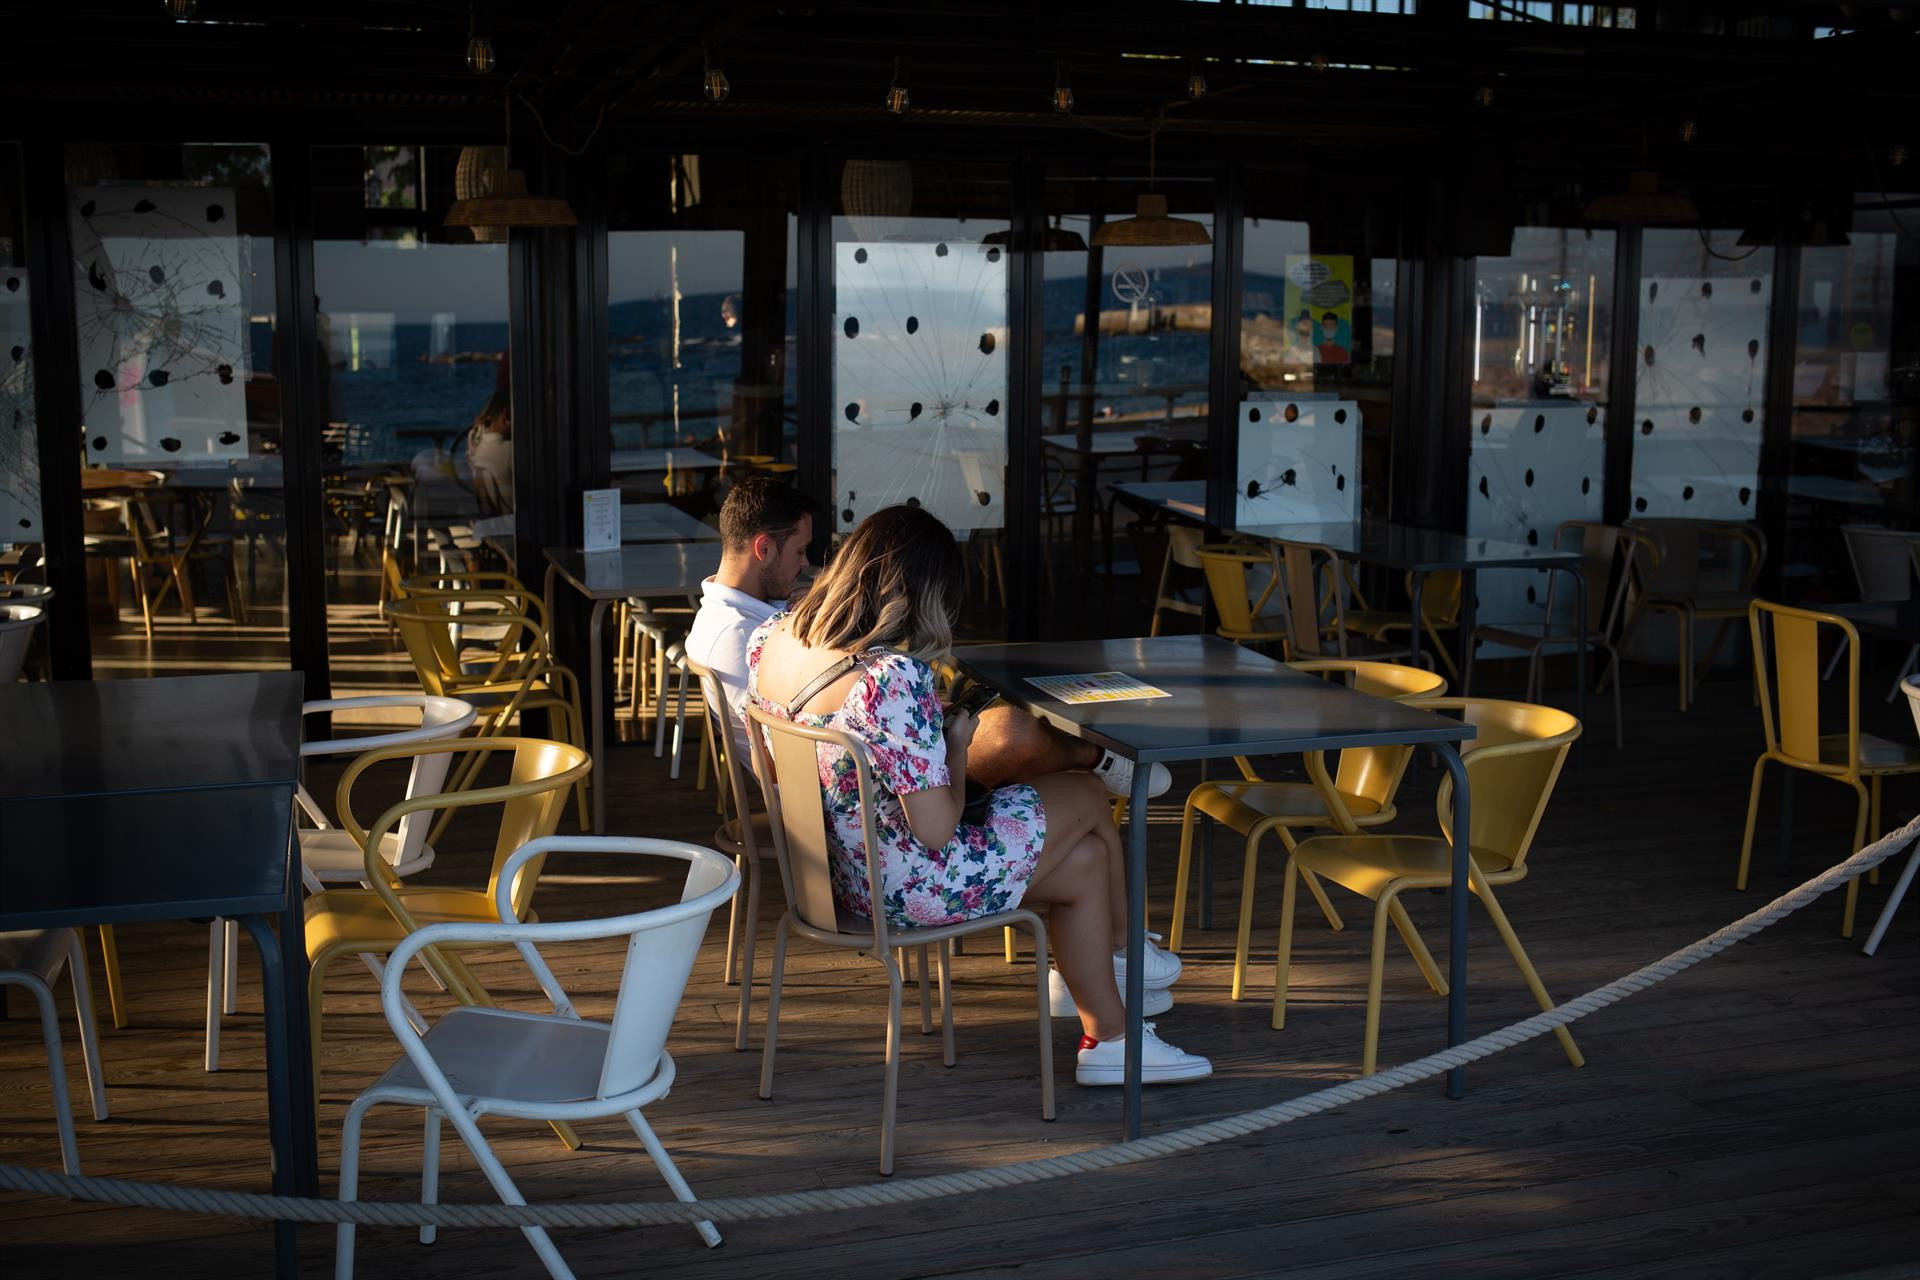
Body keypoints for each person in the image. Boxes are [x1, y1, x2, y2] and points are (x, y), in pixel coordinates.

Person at [746, 505, 1210, 1087]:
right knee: (1088, 795)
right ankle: (1119, 963)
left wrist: (913, 742)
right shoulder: (890, 680)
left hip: (833, 873)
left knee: (1087, 864)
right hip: (906, 890)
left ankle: (1108, 1034)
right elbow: (937, 830)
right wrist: (955, 747)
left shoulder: (771, 642)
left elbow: (774, 763)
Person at [689, 476, 1173, 809]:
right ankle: (1099, 763)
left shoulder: (738, 623)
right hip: (842, 794)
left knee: (1031, 762)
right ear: (764, 548)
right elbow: (778, 743)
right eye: (799, 552)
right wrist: (893, 706)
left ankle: (1097, 922)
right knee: (1014, 737)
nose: (808, 565)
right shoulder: (745, 636)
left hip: (843, 773)